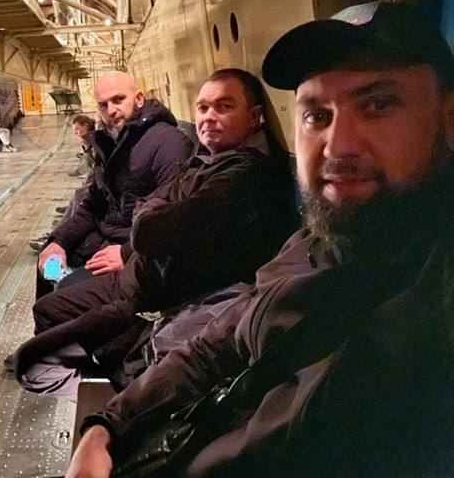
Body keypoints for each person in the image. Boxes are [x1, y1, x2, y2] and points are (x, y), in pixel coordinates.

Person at [67, 1, 454, 478]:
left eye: (378, 106)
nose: (338, 146)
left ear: (449, 119)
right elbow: (218, 344)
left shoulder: (429, 310)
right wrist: (105, 428)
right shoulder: (316, 244)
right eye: (317, 115)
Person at [15, 69, 298, 399]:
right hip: (136, 274)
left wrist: (131, 245)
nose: (209, 117)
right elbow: (110, 206)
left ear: (254, 117)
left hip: (147, 289)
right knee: (48, 293)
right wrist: (58, 241)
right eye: (203, 108)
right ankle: (101, 377)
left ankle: (110, 393)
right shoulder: (200, 158)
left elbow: (153, 228)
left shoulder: (218, 163)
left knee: (38, 352)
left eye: (224, 107)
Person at [34, 71, 194, 299]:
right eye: (103, 105)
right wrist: (58, 241)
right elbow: (94, 206)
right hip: (104, 243)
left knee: (62, 297)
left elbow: (175, 217)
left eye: (119, 100)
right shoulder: (110, 143)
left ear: (139, 99)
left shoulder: (169, 143)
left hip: (139, 254)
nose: (111, 110)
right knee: (48, 268)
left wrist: (127, 254)